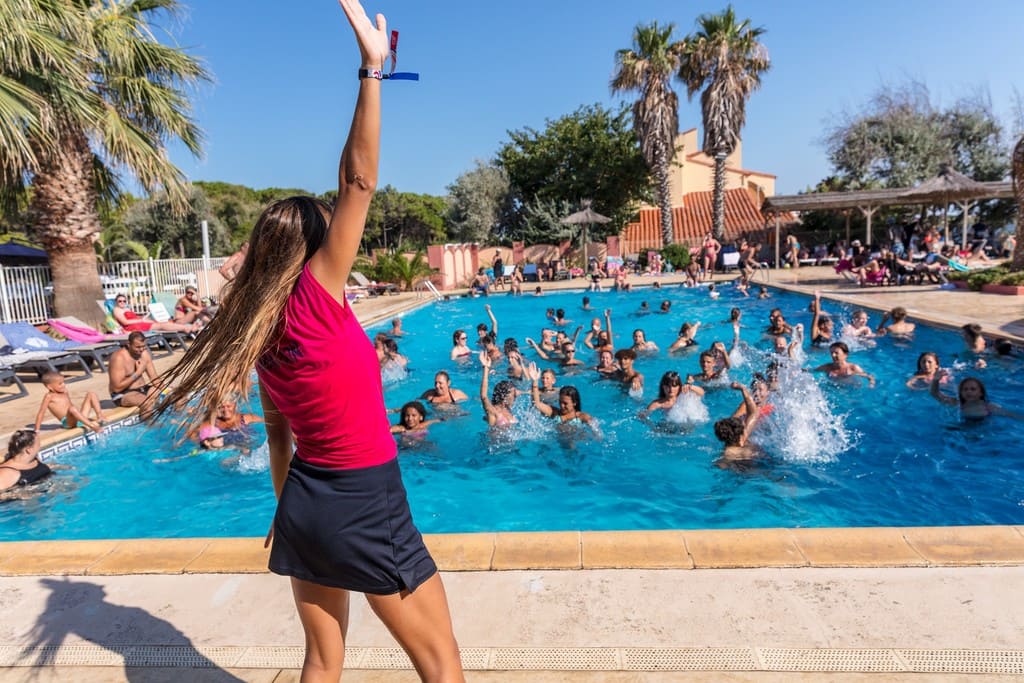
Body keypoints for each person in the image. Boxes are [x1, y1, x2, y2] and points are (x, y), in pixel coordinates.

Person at [153, 6, 464, 679]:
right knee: (443, 664)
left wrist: (285, 514)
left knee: (322, 662)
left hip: (306, 504)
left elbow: (277, 440)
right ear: (314, 252)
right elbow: (358, 179)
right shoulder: (317, 303)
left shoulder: (257, 336)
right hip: (365, 497)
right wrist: (371, 68)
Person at [930, 372, 1024, 421]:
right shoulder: (957, 403)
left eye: (973, 389)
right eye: (965, 389)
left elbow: (1012, 415)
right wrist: (935, 380)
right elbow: (935, 394)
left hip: (983, 434)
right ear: (961, 392)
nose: (969, 392)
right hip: (961, 431)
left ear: (981, 393)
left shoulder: (989, 407)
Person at [108, 331, 161, 416]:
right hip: (124, 394)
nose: (141, 349)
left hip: (143, 389)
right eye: (138, 347)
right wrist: (138, 373)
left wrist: (167, 390)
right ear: (129, 344)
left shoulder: (144, 354)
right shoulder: (119, 358)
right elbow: (116, 388)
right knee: (147, 403)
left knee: (172, 397)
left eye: (143, 346)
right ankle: (150, 427)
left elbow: (154, 378)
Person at [34, 371, 105, 433]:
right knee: (72, 409)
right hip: (68, 422)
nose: (63, 385)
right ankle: (92, 426)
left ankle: (100, 416)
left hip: (78, 418)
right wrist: (36, 430)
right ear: (50, 387)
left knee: (91, 394)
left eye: (63, 382)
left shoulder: (65, 392)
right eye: (60, 384)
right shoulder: (49, 397)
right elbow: (41, 413)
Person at [525, 363, 593, 425]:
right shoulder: (555, 413)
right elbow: (537, 404)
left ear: (574, 403)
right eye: (560, 402)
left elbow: (596, 432)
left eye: (565, 403)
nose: (561, 406)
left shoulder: (583, 417)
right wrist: (535, 381)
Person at [714, 382, 763, 462]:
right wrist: (743, 389)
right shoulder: (732, 452)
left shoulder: (725, 455)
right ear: (740, 435)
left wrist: (743, 390)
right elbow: (754, 413)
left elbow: (753, 413)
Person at [111, 294, 199, 334]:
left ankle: (187, 328)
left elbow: (134, 317)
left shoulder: (125, 308)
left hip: (138, 323)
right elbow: (125, 322)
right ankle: (187, 328)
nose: (122, 302)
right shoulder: (117, 310)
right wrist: (141, 320)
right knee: (161, 326)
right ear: (116, 302)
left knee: (162, 323)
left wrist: (144, 318)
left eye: (124, 301)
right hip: (132, 327)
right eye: (120, 301)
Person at [479, 351, 517, 428]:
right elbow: (484, 396)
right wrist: (486, 368)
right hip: (493, 440)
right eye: (514, 395)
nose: (515, 397)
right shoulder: (493, 411)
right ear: (505, 396)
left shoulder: (507, 409)